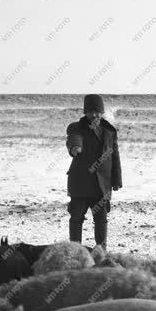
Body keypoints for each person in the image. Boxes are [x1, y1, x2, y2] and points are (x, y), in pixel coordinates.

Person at [65, 94, 122, 249]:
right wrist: (75, 147)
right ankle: (75, 251)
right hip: (81, 183)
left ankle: (101, 251)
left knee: (101, 219)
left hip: (102, 185)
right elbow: (74, 137)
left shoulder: (109, 131)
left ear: (102, 112)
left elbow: (115, 157)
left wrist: (116, 180)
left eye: (97, 112)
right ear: (85, 112)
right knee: (76, 218)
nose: (94, 115)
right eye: (91, 112)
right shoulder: (77, 127)